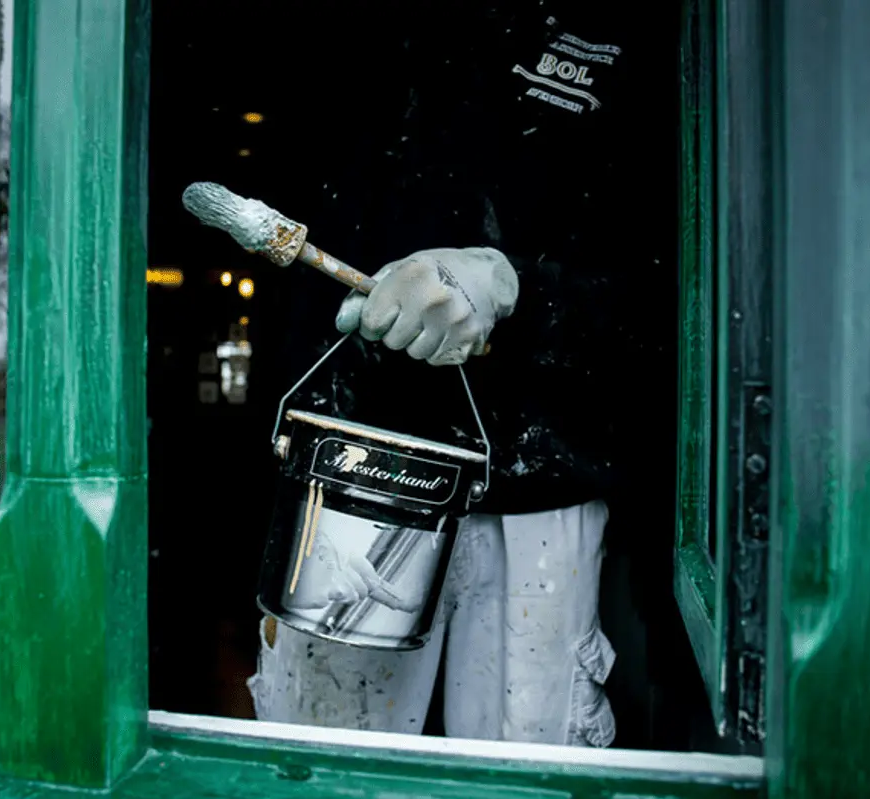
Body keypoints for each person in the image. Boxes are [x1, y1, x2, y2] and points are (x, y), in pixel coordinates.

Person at [244, 0, 678, 747]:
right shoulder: (343, 38)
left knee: (525, 760)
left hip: (540, 477)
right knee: (327, 762)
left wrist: (513, 287)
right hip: (350, 469)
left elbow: (671, 283)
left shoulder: (626, 33)